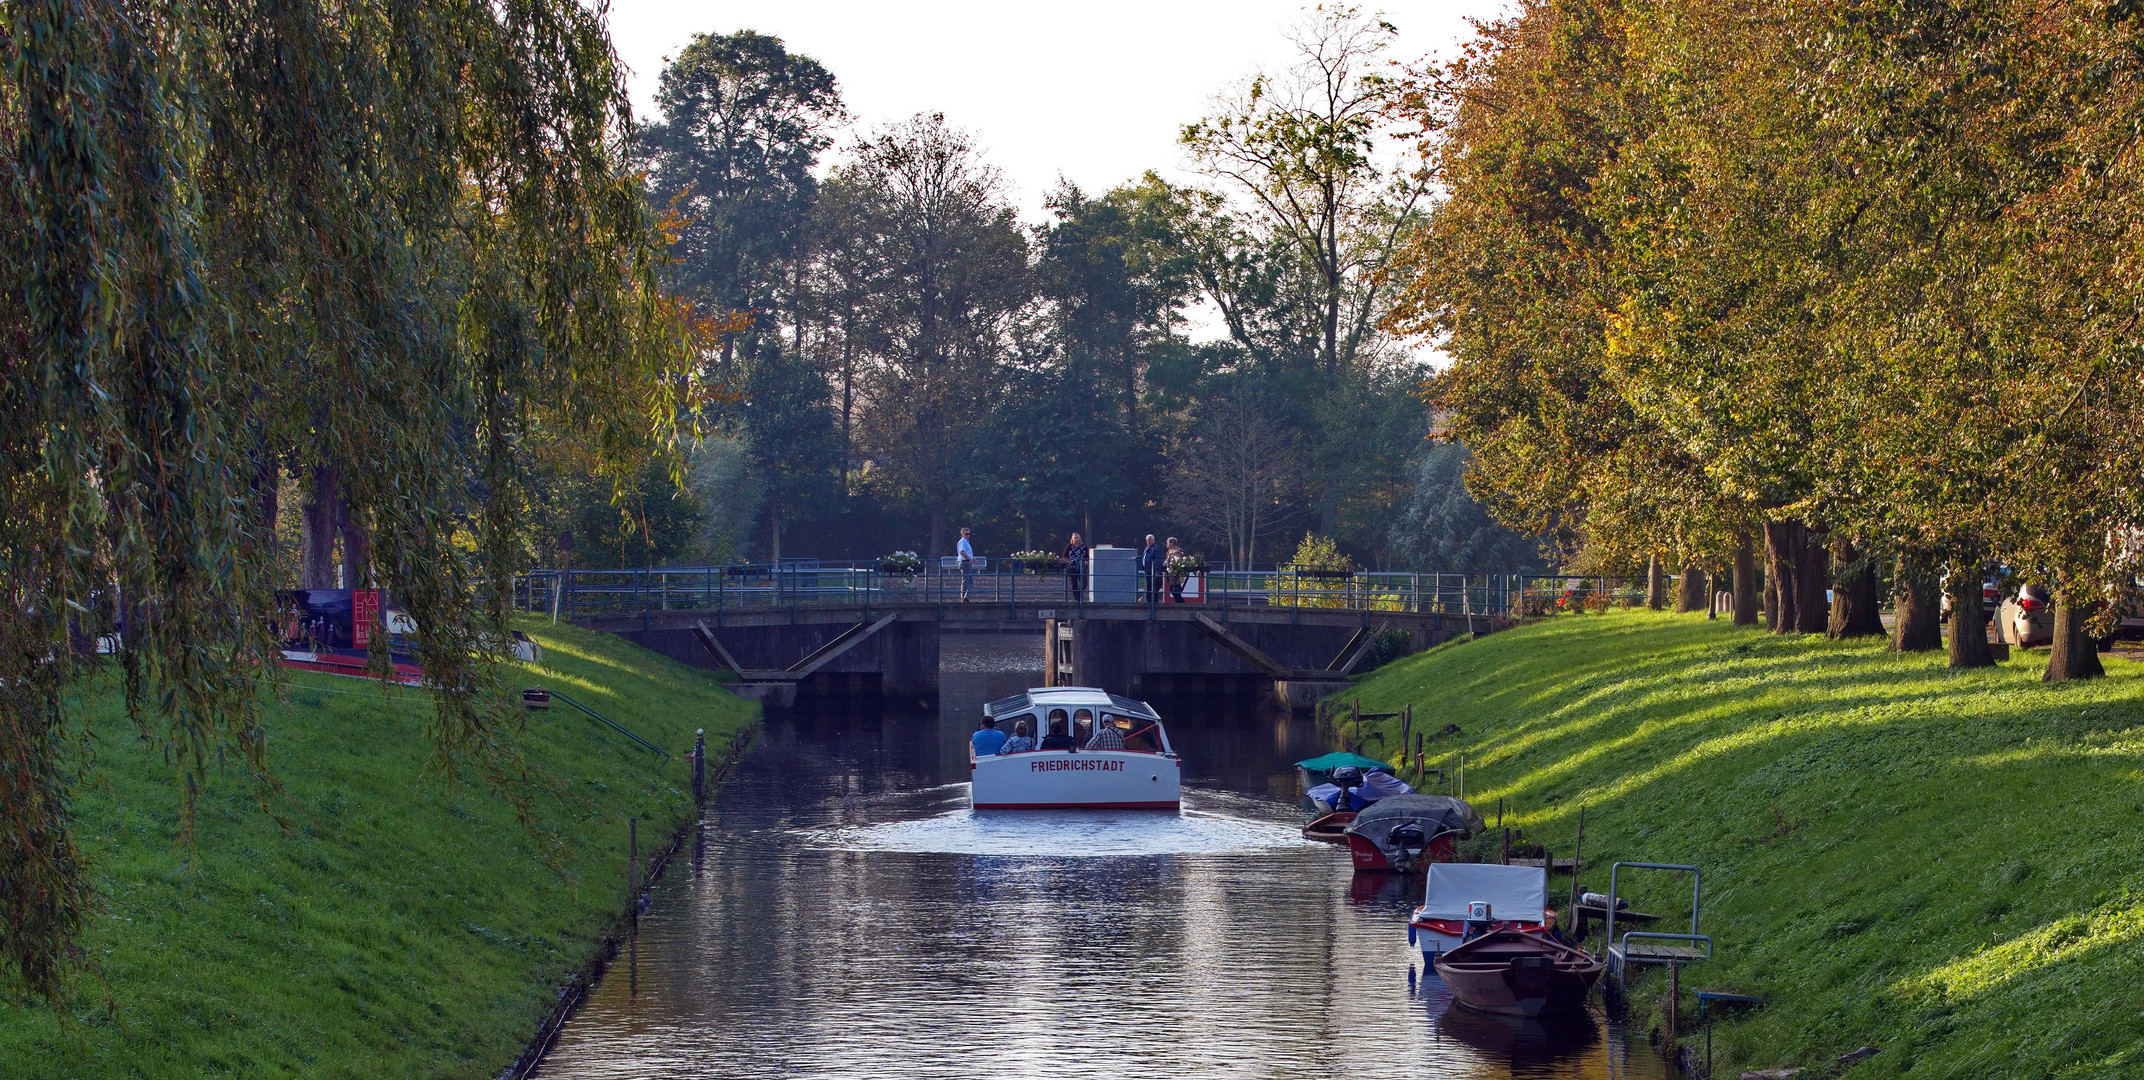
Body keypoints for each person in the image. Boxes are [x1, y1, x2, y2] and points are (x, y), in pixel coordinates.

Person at [1061, 532, 1087, 600]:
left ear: (1079, 539)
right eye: (1075, 538)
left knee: (1084, 583)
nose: (1076, 539)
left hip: (1081, 567)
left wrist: (1086, 561)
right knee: (1074, 584)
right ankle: (1077, 599)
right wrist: (1067, 561)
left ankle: (1078, 594)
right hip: (1072, 567)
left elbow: (1087, 556)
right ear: (1072, 539)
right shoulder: (1069, 546)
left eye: (1077, 538)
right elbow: (1064, 555)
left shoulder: (1084, 547)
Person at [956, 526, 977, 602]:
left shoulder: (966, 542)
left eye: (969, 534)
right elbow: (962, 551)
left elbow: (966, 552)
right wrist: (969, 558)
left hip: (966, 561)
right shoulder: (963, 542)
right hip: (965, 562)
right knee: (966, 580)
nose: (968, 535)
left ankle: (966, 597)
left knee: (970, 580)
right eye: (966, 534)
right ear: (962, 534)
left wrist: (972, 558)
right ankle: (963, 598)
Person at [1140, 533, 1163, 602]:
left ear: (1153, 540)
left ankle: (1152, 602)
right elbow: (1143, 557)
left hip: (1152, 571)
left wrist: (1157, 571)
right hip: (1147, 570)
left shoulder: (1155, 548)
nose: (1148, 542)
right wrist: (1135, 558)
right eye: (1147, 540)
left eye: (1150, 540)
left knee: (1152, 587)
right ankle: (1150, 601)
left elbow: (1157, 560)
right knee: (1149, 587)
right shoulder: (1147, 548)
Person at [1164, 537, 1186, 602]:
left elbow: (1178, 561)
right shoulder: (1169, 551)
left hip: (1176, 574)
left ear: (1172, 543)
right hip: (1171, 574)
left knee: (1175, 590)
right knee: (1172, 589)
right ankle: (1179, 603)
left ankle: (1182, 604)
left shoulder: (1176, 551)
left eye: (1168, 543)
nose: (1167, 544)